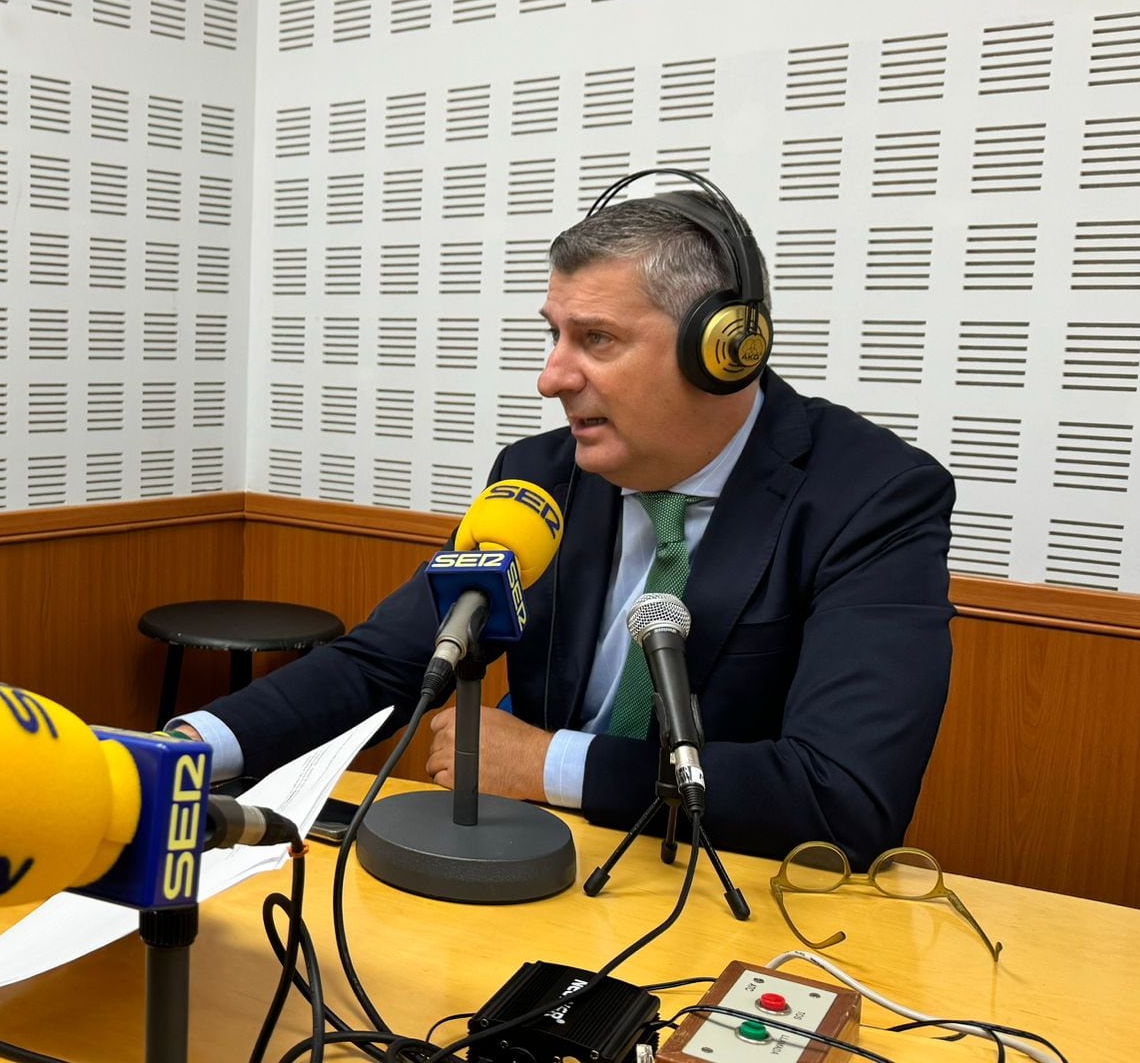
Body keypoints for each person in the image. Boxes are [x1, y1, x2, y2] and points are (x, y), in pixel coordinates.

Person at [176, 184, 956, 866]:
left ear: (723, 352)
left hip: (724, 884)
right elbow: (382, 665)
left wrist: (552, 765)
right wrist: (181, 752)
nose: (551, 378)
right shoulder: (539, 474)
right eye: (554, 333)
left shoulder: (872, 497)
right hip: (524, 865)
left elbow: (845, 796)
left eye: (597, 340)